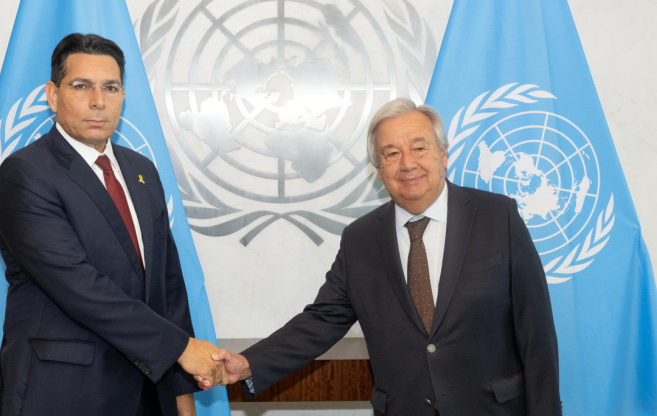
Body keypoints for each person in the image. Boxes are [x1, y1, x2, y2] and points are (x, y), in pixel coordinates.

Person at [210, 99, 561, 415]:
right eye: (391, 153)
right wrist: (248, 363)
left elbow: (536, 331)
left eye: (419, 147)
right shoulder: (360, 239)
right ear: (379, 171)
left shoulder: (497, 217)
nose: (407, 163)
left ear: (443, 154)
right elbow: (321, 321)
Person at [0, 33, 225, 416]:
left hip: (149, 393)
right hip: (64, 394)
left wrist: (184, 402)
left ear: (122, 96)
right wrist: (181, 349)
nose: (98, 101)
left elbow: (169, 290)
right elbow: (78, 285)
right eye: (81, 86)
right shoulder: (26, 173)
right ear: (53, 95)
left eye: (111, 87)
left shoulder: (141, 170)